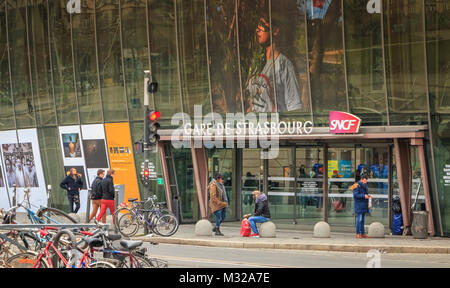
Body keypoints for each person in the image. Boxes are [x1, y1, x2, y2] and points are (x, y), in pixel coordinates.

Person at [245, 16, 303, 113]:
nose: (257, 30)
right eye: (257, 26)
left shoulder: (284, 65)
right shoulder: (256, 64)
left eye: (262, 25)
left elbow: (294, 106)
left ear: (275, 30)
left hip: (274, 126)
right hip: (256, 125)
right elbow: (253, 101)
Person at [352, 174, 372, 239]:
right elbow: (355, 195)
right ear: (361, 179)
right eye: (364, 181)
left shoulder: (365, 185)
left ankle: (363, 233)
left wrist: (368, 196)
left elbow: (365, 194)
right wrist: (364, 196)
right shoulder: (356, 185)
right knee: (359, 219)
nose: (365, 182)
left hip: (364, 205)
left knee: (362, 220)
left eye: (366, 181)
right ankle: (358, 233)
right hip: (359, 205)